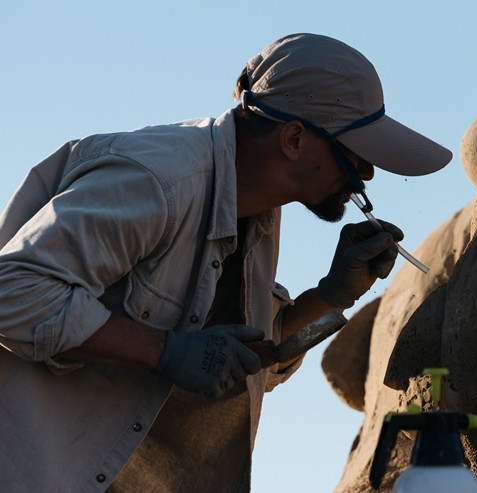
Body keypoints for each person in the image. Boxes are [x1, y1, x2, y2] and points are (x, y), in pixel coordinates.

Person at [0, 33, 452, 492]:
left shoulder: (258, 206)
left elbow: (245, 360)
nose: (367, 174)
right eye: (355, 154)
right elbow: (13, 291)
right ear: (294, 138)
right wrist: (165, 352)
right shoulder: (159, 180)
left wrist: (329, 295)